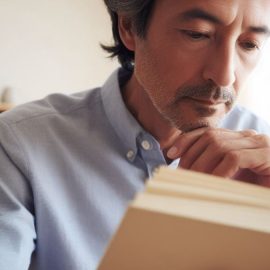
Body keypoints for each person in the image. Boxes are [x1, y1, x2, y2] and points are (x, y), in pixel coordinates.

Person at [1, 0, 270, 269]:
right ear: (129, 26)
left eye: (249, 44)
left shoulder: (263, 153)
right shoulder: (19, 145)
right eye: (197, 34)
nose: (224, 77)